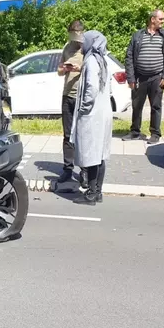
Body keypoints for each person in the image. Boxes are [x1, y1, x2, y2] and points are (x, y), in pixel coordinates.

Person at [71, 30, 113, 206]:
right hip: (104, 113)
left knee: (91, 154)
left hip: (92, 114)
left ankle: (91, 194)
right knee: (100, 154)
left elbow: (91, 87)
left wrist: (83, 108)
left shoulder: (91, 61)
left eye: (84, 41)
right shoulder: (103, 59)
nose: (82, 45)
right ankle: (98, 192)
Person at [123, 9, 164, 144]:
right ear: (153, 19)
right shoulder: (138, 36)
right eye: (161, 19)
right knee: (137, 105)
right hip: (139, 78)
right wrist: (130, 78)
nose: (163, 22)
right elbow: (129, 57)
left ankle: (155, 134)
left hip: (157, 77)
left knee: (156, 106)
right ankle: (135, 132)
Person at [56, 20, 86, 185]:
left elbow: (92, 70)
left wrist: (79, 69)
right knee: (67, 135)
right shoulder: (67, 48)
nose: (73, 39)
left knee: (81, 135)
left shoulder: (87, 48)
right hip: (67, 95)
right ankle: (68, 168)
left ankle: (84, 171)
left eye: (76, 35)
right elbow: (59, 72)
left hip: (81, 96)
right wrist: (65, 68)